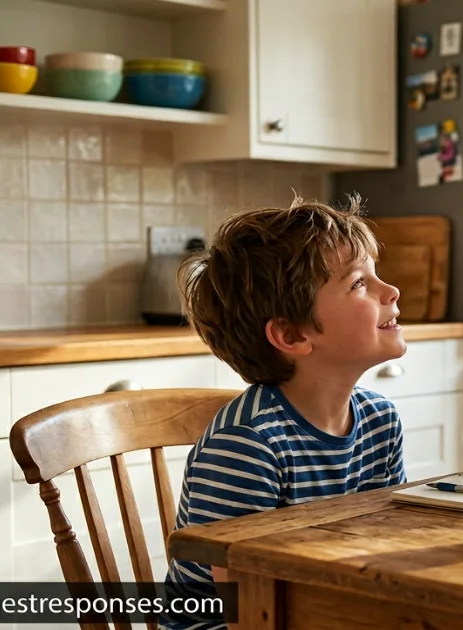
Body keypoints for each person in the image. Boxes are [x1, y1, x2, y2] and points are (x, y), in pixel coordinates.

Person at [160, 196, 408, 629]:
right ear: (292, 334)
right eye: (357, 283)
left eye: (376, 275)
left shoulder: (379, 421)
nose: (391, 291)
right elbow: (238, 604)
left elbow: (391, 548)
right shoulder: (247, 445)